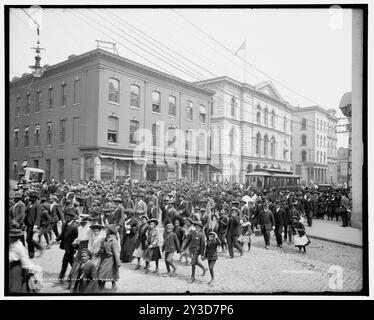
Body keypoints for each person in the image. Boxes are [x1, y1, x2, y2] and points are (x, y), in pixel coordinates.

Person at [9, 228, 41, 293]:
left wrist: (34, 268)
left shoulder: (19, 246)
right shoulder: (11, 244)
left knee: (15, 287)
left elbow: (25, 261)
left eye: (12, 237)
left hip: (15, 268)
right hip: (11, 267)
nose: (10, 238)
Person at [55, 208, 79, 284]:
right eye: (65, 217)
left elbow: (76, 238)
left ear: (72, 218)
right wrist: (56, 240)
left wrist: (75, 247)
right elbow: (62, 234)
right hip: (66, 247)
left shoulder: (75, 226)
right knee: (70, 263)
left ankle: (63, 278)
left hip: (71, 248)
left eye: (68, 217)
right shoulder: (65, 223)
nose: (66, 218)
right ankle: (75, 276)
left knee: (66, 263)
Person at [97, 226, 121, 292]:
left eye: (106, 230)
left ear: (110, 231)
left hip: (111, 259)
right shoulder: (105, 239)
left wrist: (118, 262)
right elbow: (101, 248)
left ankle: (114, 286)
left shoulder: (114, 240)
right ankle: (102, 285)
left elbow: (116, 252)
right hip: (104, 258)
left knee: (109, 272)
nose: (105, 231)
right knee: (104, 272)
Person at [24, 190, 43, 259]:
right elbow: (25, 211)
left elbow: (38, 217)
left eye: (31, 197)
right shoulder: (30, 204)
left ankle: (39, 247)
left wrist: (35, 226)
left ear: (35, 198)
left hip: (33, 225)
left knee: (29, 239)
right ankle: (31, 255)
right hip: (28, 225)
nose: (29, 198)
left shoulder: (38, 205)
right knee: (29, 240)